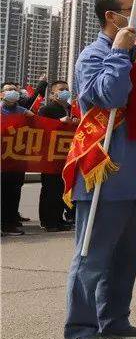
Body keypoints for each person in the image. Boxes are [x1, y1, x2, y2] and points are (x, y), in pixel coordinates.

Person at [64, 0, 136, 339]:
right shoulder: (93, 56)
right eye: (133, 8)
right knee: (93, 256)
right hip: (105, 174)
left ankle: (114, 320)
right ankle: (80, 328)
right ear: (112, 16)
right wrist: (119, 52)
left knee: (128, 257)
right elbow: (108, 97)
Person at [37, 81, 77, 231]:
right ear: (53, 94)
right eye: (61, 89)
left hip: (64, 156)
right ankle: (49, 221)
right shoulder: (46, 109)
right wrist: (58, 122)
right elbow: (40, 126)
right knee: (50, 189)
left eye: (67, 89)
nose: (65, 92)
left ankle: (58, 218)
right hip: (50, 156)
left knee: (61, 188)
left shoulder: (68, 109)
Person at [1, 82, 31, 236]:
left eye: (14, 90)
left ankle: (10, 223)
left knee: (13, 192)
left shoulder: (22, 111)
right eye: (8, 90)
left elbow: (37, 125)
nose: (12, 92)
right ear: (1, 94)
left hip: (16, 159)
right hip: (2, 159)